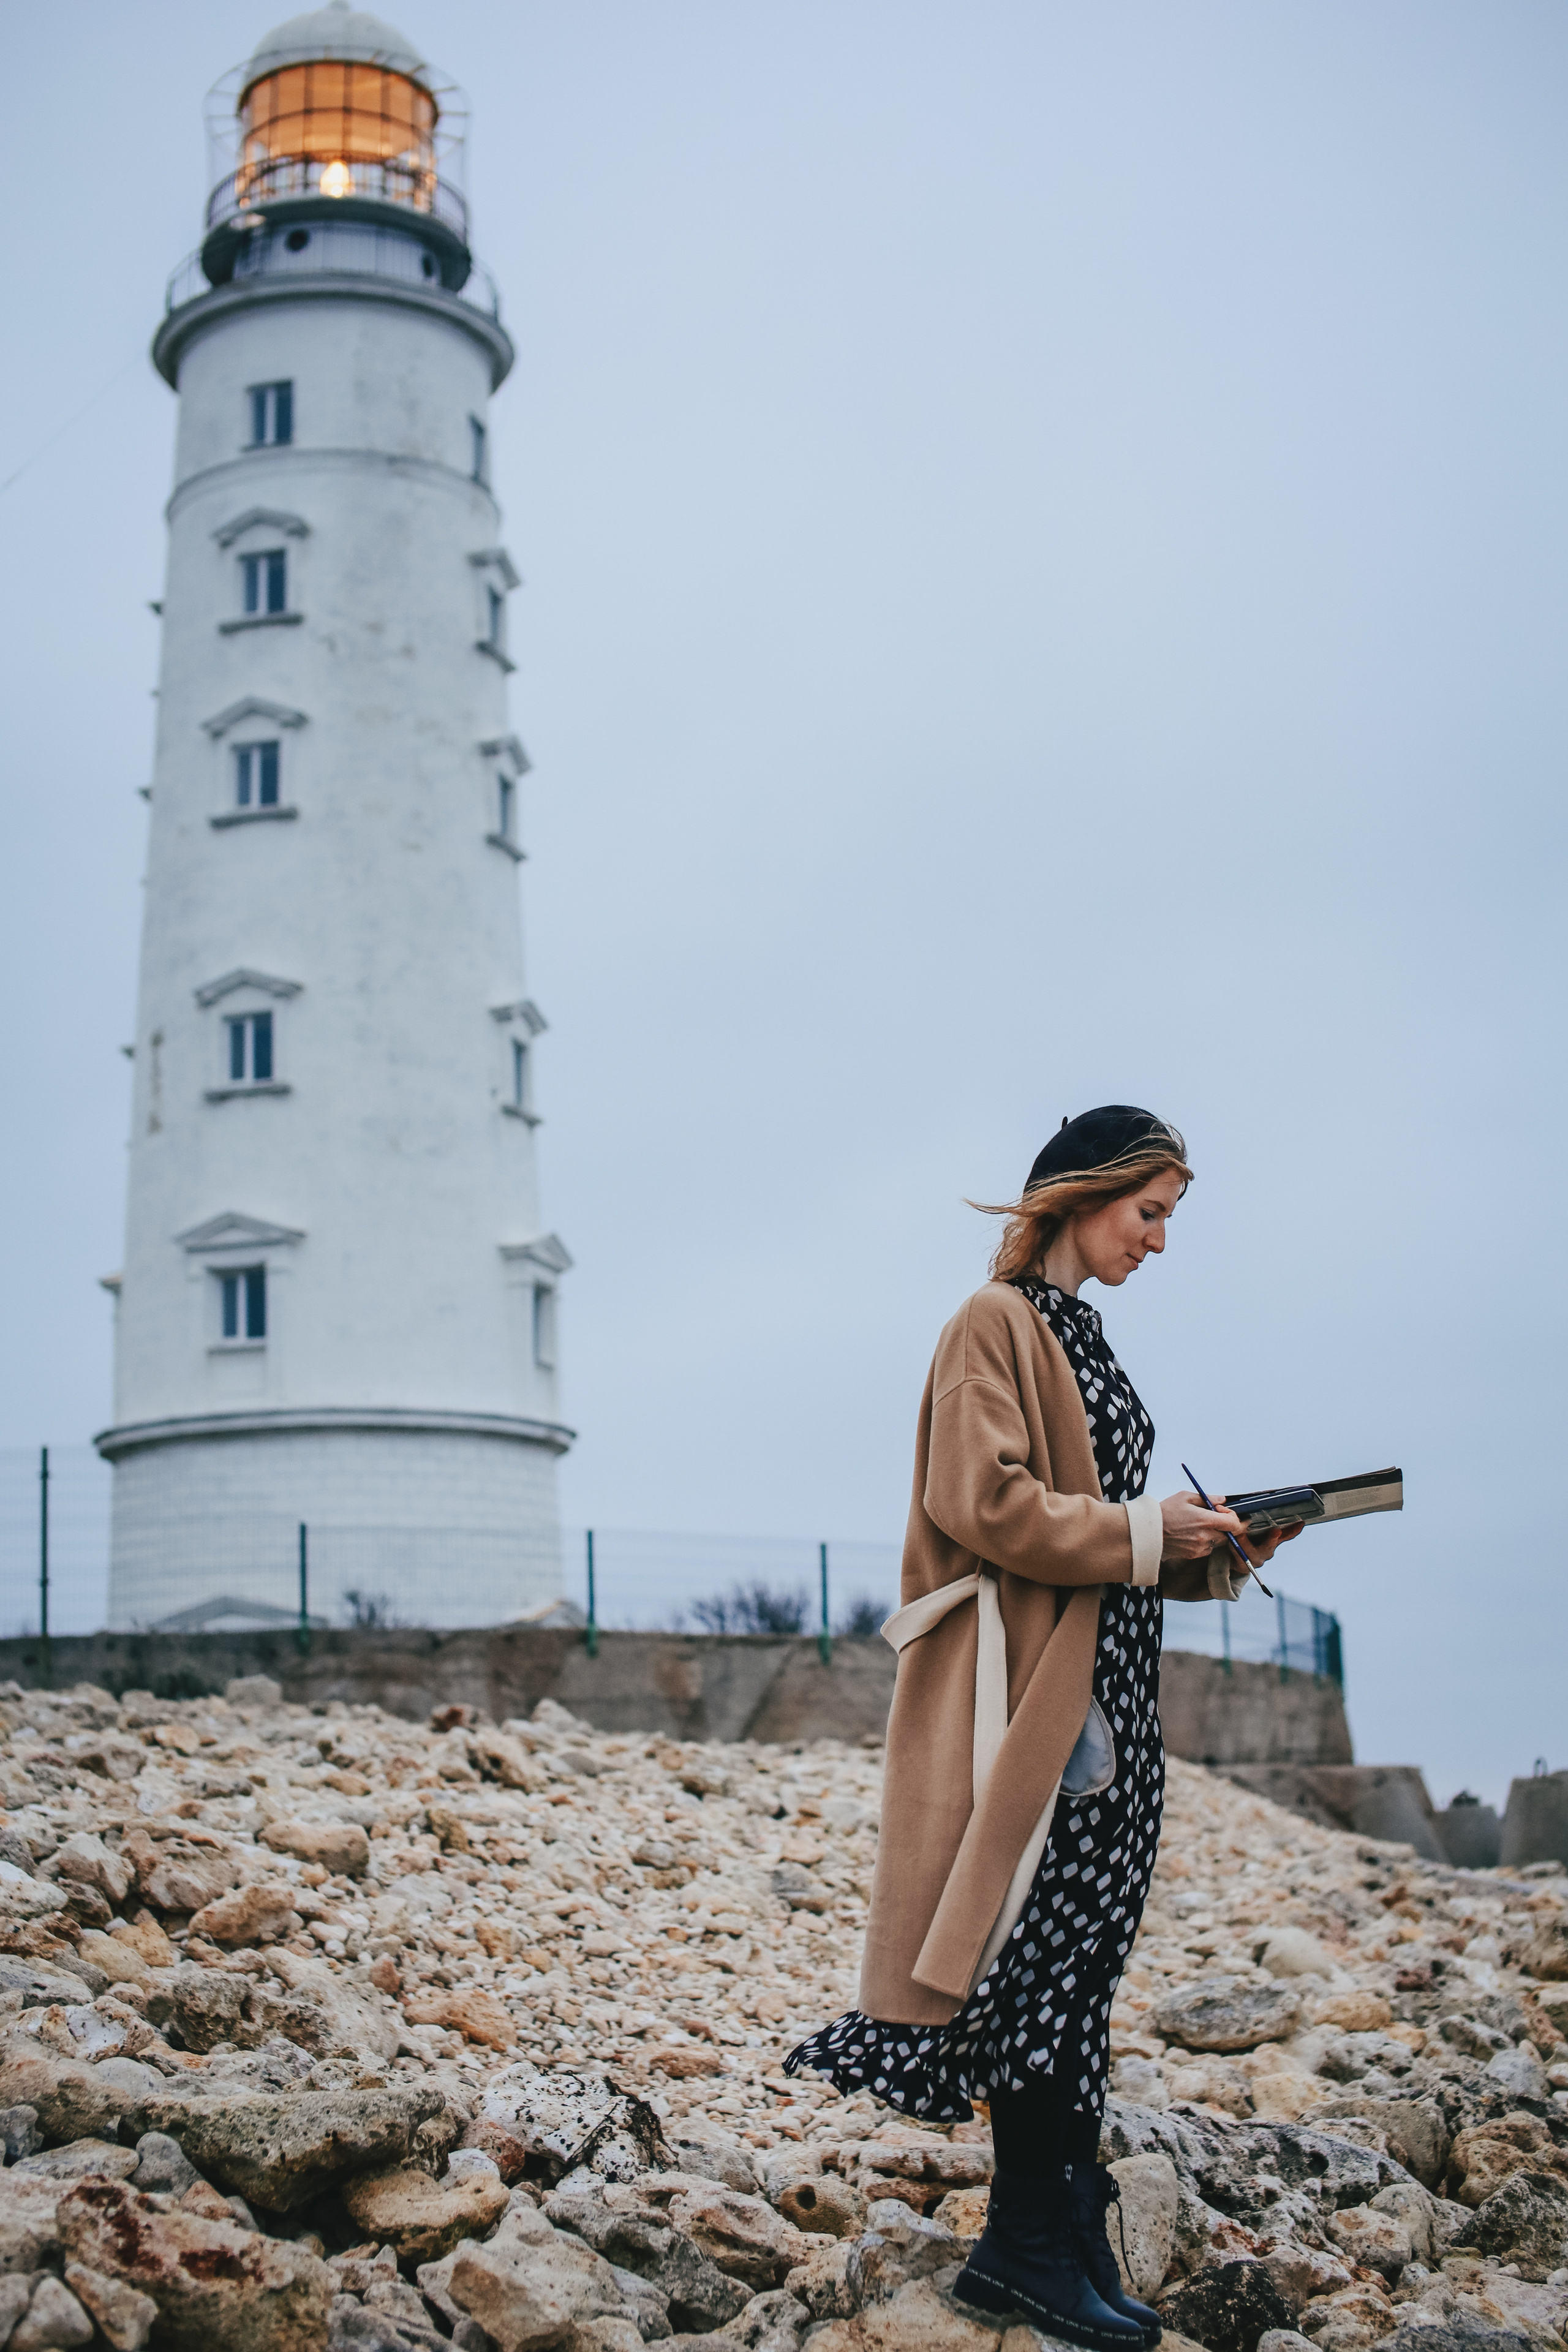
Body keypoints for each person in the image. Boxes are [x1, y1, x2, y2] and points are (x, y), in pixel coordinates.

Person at [784, 1107, 1301, 2349]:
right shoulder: (994, 1322)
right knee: (1035, 1968)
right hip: (1031, 1700)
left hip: (1111, 1689)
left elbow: (1097, 1538)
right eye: (1149, 1212)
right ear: (1081, 1194)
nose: (1159, 1241)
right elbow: (983, 1503)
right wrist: (1146, 1529)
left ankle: (1062, 2233)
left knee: (1078, 1971)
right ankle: (1020, 2249)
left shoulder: (1081, 1332)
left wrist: (1211, 1554)